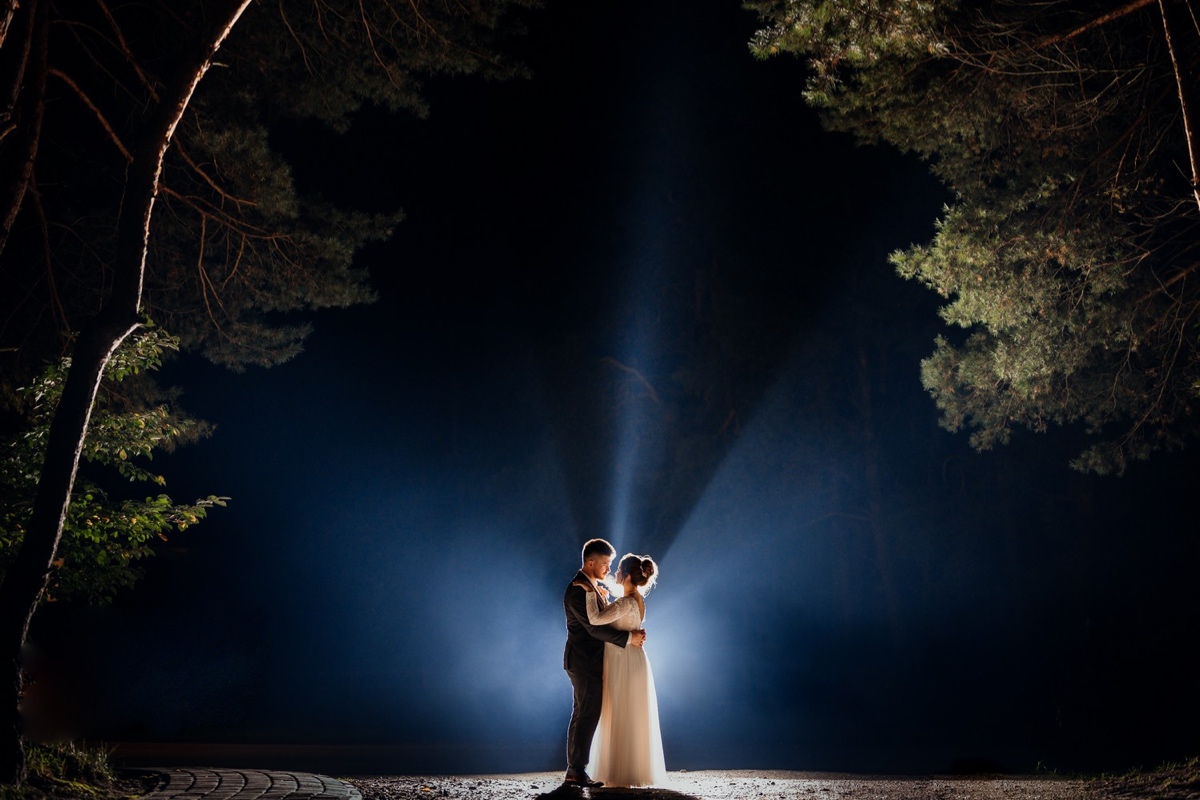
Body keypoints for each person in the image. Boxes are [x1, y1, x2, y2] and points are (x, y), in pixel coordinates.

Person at [563, 538, 645, 788]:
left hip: (590, 660)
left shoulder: (591, 587)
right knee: (586, 713)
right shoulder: (579, 589)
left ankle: (575, 770)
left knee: (584, 712)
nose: (609, 569)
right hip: (583, 660)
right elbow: (593, 628)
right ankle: (577, 770)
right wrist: (629, 638)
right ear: (591, 562)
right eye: (606, 563)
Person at [580, 553, 666, 788]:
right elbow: (622, 621)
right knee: (630, 713)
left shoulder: (625, 602)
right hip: (633, 659)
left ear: (627, 575)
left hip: (622, 660)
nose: (615, 573)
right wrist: (605, 598)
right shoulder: (637, 600)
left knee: (619, 711)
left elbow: (595, 619)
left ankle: (618, 772)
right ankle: (630, 770)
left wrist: (590, 593)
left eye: (618, 569)